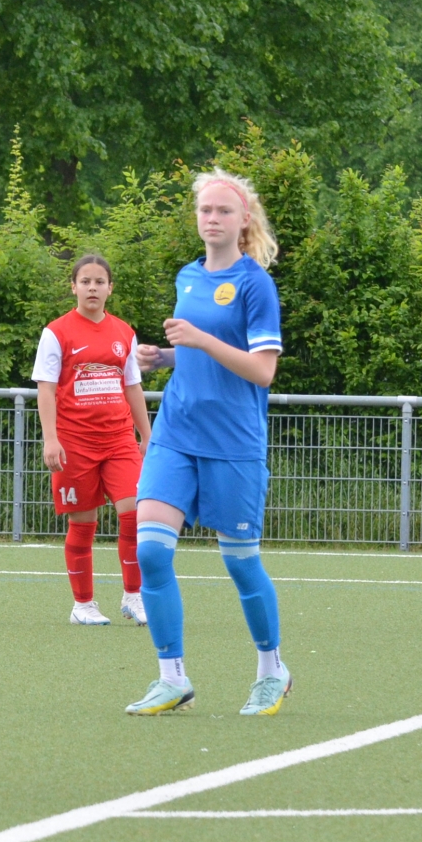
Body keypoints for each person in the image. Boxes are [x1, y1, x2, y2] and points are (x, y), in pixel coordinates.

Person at [125, 171, 289, 718]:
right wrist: (166, 357)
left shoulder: (255, 285)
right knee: (150, 551)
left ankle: (272, 669)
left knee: (241, 563)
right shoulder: (188, 276)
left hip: (234, 442)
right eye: (205, 210)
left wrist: (199, 339)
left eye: (224, 210)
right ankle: (172, 677)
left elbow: (262, 370)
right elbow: (199, 353)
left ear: (245, 221)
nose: (212, 218)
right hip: (176, 433)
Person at [32, 253, 152, 627]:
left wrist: (147, 435)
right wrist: (51, 439)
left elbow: (132, 387)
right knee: (83, 524)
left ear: (110, 288)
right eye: (85, 281)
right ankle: (82, 605)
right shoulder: (56, 332)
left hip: (119, 440)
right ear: (74, 287)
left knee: (135, 513)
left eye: (100, 281)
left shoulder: (124, 333)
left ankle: (134, 596)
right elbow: (46, 389)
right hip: (75, 444)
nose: (92, 288)